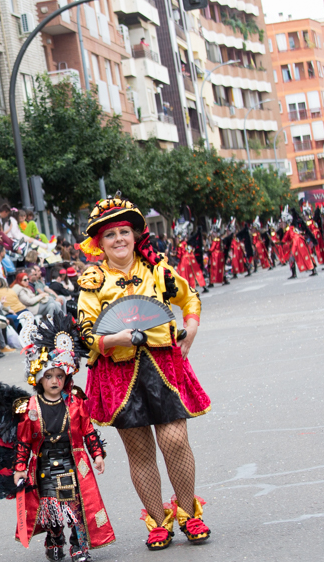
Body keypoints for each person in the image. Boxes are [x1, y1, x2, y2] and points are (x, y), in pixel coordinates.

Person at [76, 196, 212, 550]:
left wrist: (191, 327)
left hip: (163, 365)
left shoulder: (158, 270)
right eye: (110, 235)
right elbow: (86, 332)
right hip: (119, 374)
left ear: (135, 236)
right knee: (139, 452)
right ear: (99, 243)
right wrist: (112, 338)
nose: (119, 239)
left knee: (175, 440)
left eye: (124, 231)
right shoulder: (93, 282)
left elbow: (190, 298)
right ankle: (157, 521)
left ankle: (189, 513)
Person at [7, 314, 113, 562]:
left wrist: (97, 454)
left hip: (74, 463)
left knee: (76, 507)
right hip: (44, 466)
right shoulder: (29, 407)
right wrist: (20, 468)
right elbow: (23, 441)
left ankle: (79, 544)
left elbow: (87, 430)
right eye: (49, 376)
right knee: (51, 508)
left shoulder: (75, 401)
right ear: (38, 378)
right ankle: (55, 539)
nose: (55, 381)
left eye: (59, 376)